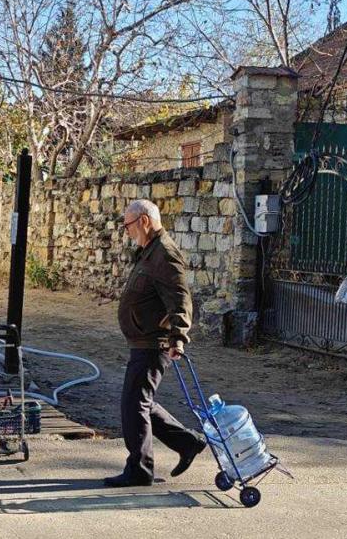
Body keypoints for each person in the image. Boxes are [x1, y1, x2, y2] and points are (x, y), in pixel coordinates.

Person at [105, 199, 207, 487]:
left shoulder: (165, 253)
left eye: (128, 225)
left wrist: (178, 337)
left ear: (144, 221)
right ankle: (187, 443)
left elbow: (180, 298)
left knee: (133, 404)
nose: (126, 231)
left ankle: (139, 470)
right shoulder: (150, 251)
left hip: (154, 343)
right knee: (141, 403)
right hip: (144, 340)